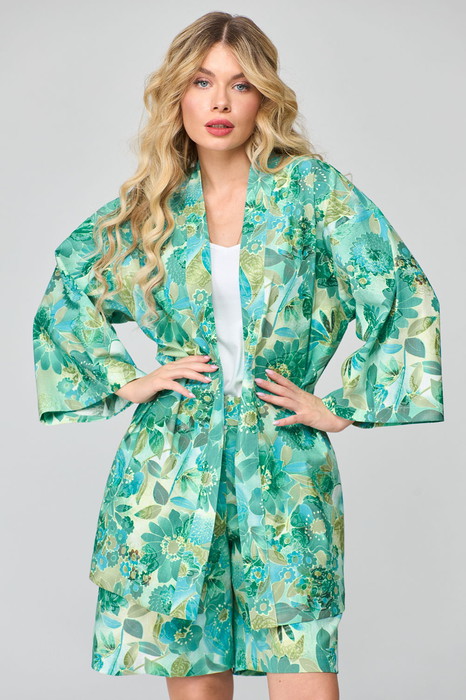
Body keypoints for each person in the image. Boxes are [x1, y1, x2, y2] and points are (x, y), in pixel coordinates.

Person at [32, 11, 444, 700]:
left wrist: (344, 404)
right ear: (177, 95)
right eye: (202, 82)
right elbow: (65, 296)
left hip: (283, 458)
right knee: (194, 678)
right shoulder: (152, 207)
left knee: (303, 667)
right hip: (172, 464)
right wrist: (128, 380)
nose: (220, 102)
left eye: (240, 84)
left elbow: (402, 289)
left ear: (264, 98)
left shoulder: (311, 191)